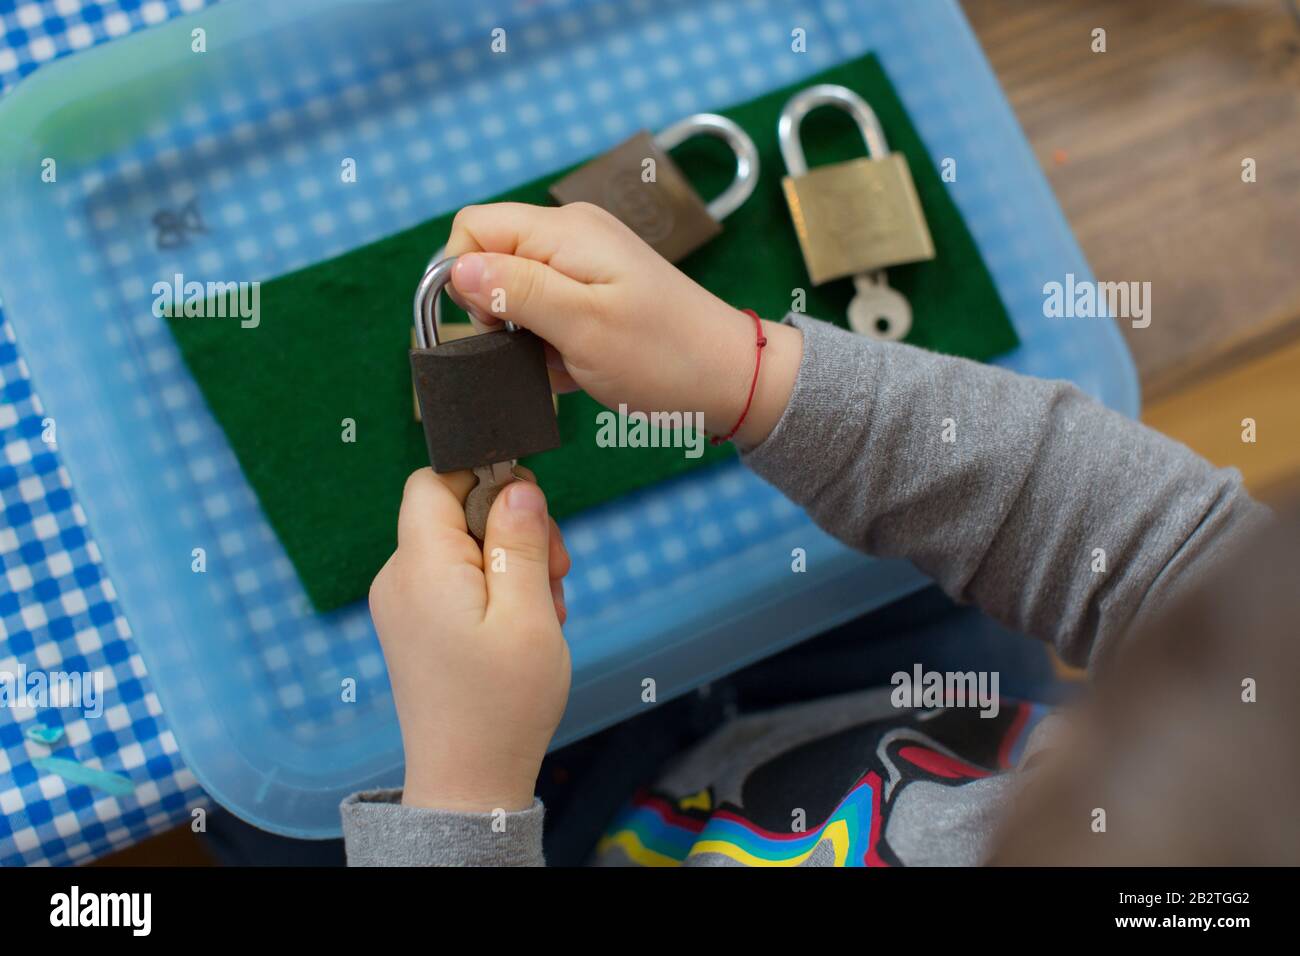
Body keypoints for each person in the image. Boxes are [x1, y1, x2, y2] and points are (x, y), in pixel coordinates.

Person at [342, 202, 1287, 866]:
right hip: (888, 713)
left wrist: (463, 798)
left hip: (567, 832)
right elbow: (1164, 547)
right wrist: (745, 370)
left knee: (293, 815)